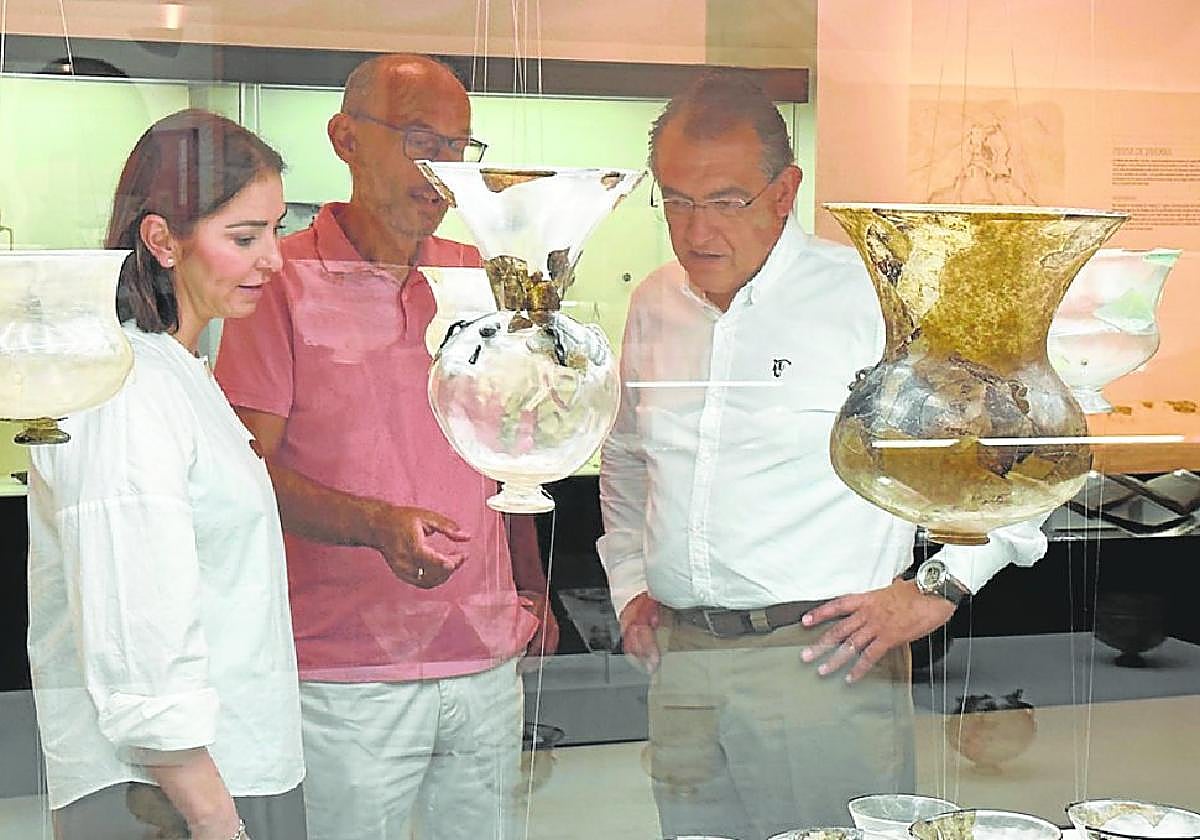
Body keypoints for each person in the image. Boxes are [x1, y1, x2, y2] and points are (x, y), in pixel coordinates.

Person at [597, 70, 1049, 839]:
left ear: (784, 191)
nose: (694, 227)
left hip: (824, 661)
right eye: (674, 197)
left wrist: (939, 587)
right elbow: (631, 457)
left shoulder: (872, 300)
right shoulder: (655, 302)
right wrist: (630, 580)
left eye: (725, 200)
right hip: (680, 661)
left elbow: (1035, 449)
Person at [214, 54, 557, 840]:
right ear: (346, 138)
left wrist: (531, 585)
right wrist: (372, 522)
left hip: (484, 655)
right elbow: (244, 474)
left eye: (458, 146)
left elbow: (511, 445)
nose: (439, 168)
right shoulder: (280, 280)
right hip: (345, 674)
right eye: (416, 138)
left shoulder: (476, 275)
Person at [26, 109, 305, 840]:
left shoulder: (179, 372)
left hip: (227, 772)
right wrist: (220, 822)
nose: (273, 260)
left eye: (275, 230)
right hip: (167, 800)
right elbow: (137, 632)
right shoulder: (122, 389)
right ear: (162, 240)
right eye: (244, 237)